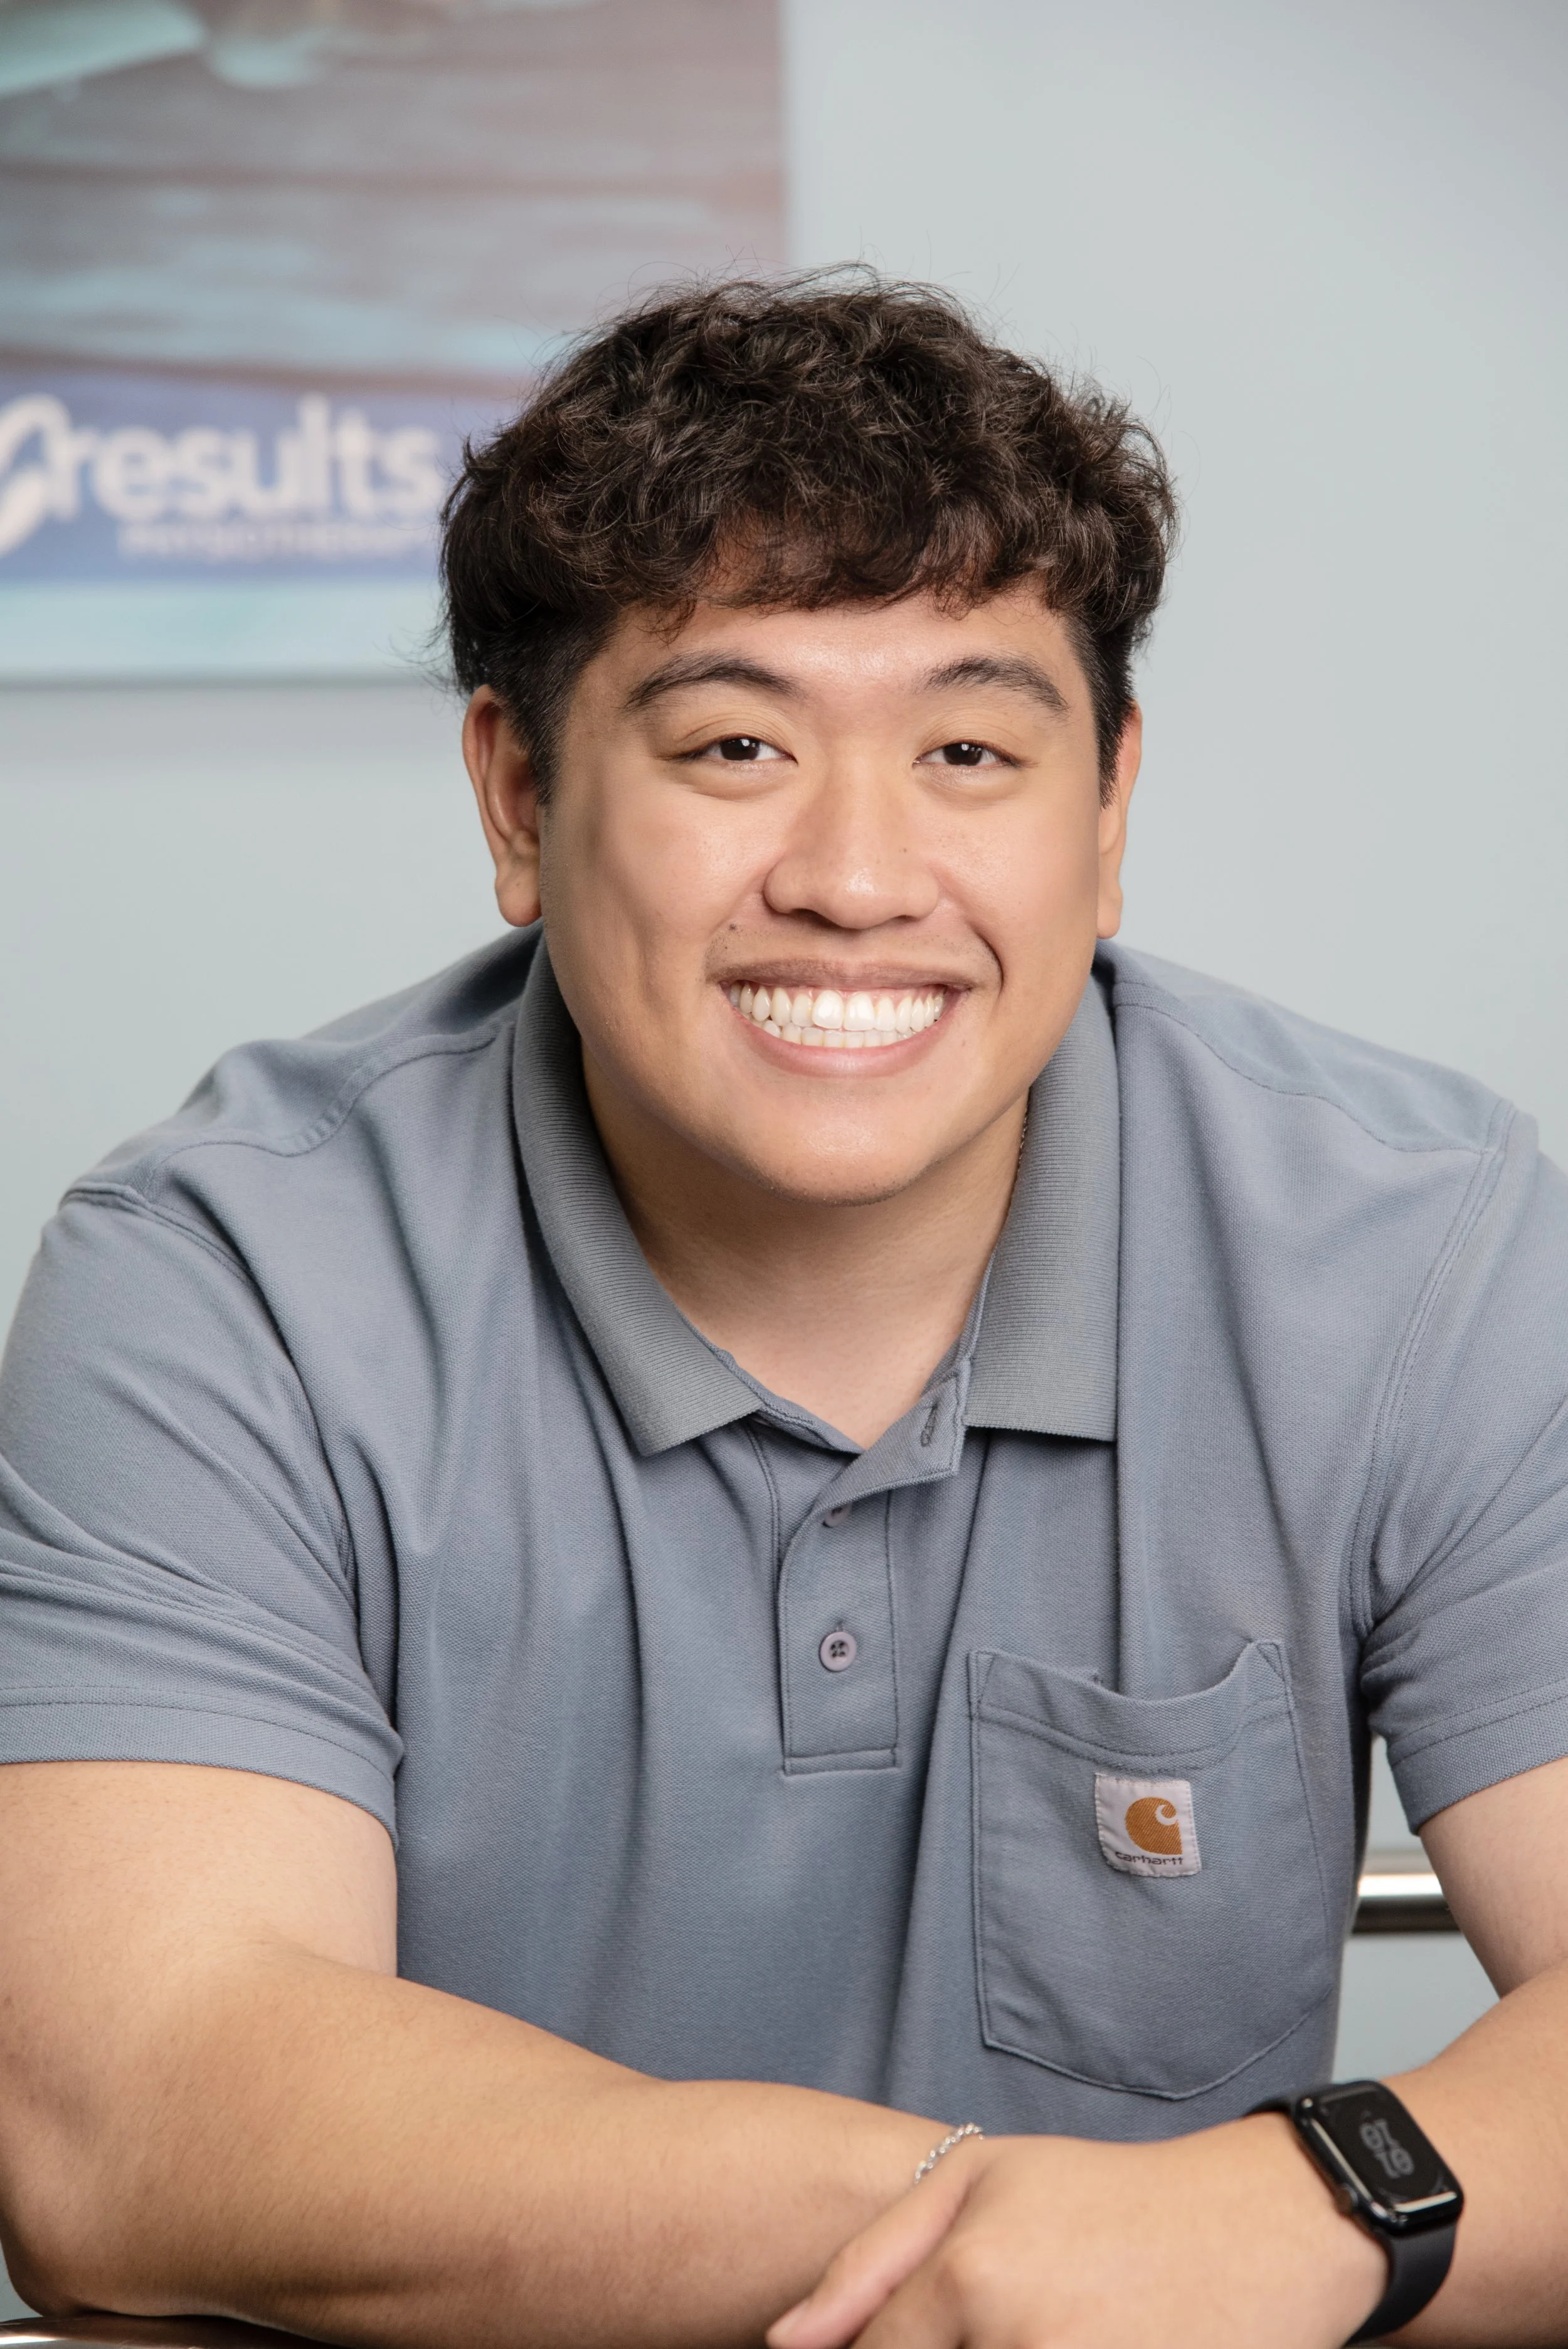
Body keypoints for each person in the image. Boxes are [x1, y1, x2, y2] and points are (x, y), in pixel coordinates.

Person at [1, 274, 1566, 2349]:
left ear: (1104, 816)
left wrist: (1291, 2220)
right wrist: (1039, 2242)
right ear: (518, 802)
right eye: (736, 743)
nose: (855, 871)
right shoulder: (227, 1286)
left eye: (968, 748)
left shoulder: (1417, 1251)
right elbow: (139, 2110)